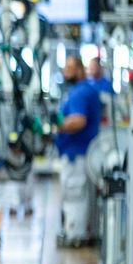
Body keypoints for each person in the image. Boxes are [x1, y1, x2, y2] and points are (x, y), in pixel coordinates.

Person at [56, 54, 102, 247]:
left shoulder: (80, 93)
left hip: (78, 154)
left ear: (79, 69)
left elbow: (78, 120)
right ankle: (81, 232)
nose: (65, 72)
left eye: (69, 67)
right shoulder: (83, 90)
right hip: (82, 153)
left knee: (75, 195)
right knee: (81, 196)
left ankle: (76, 235)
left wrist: (56, 124)